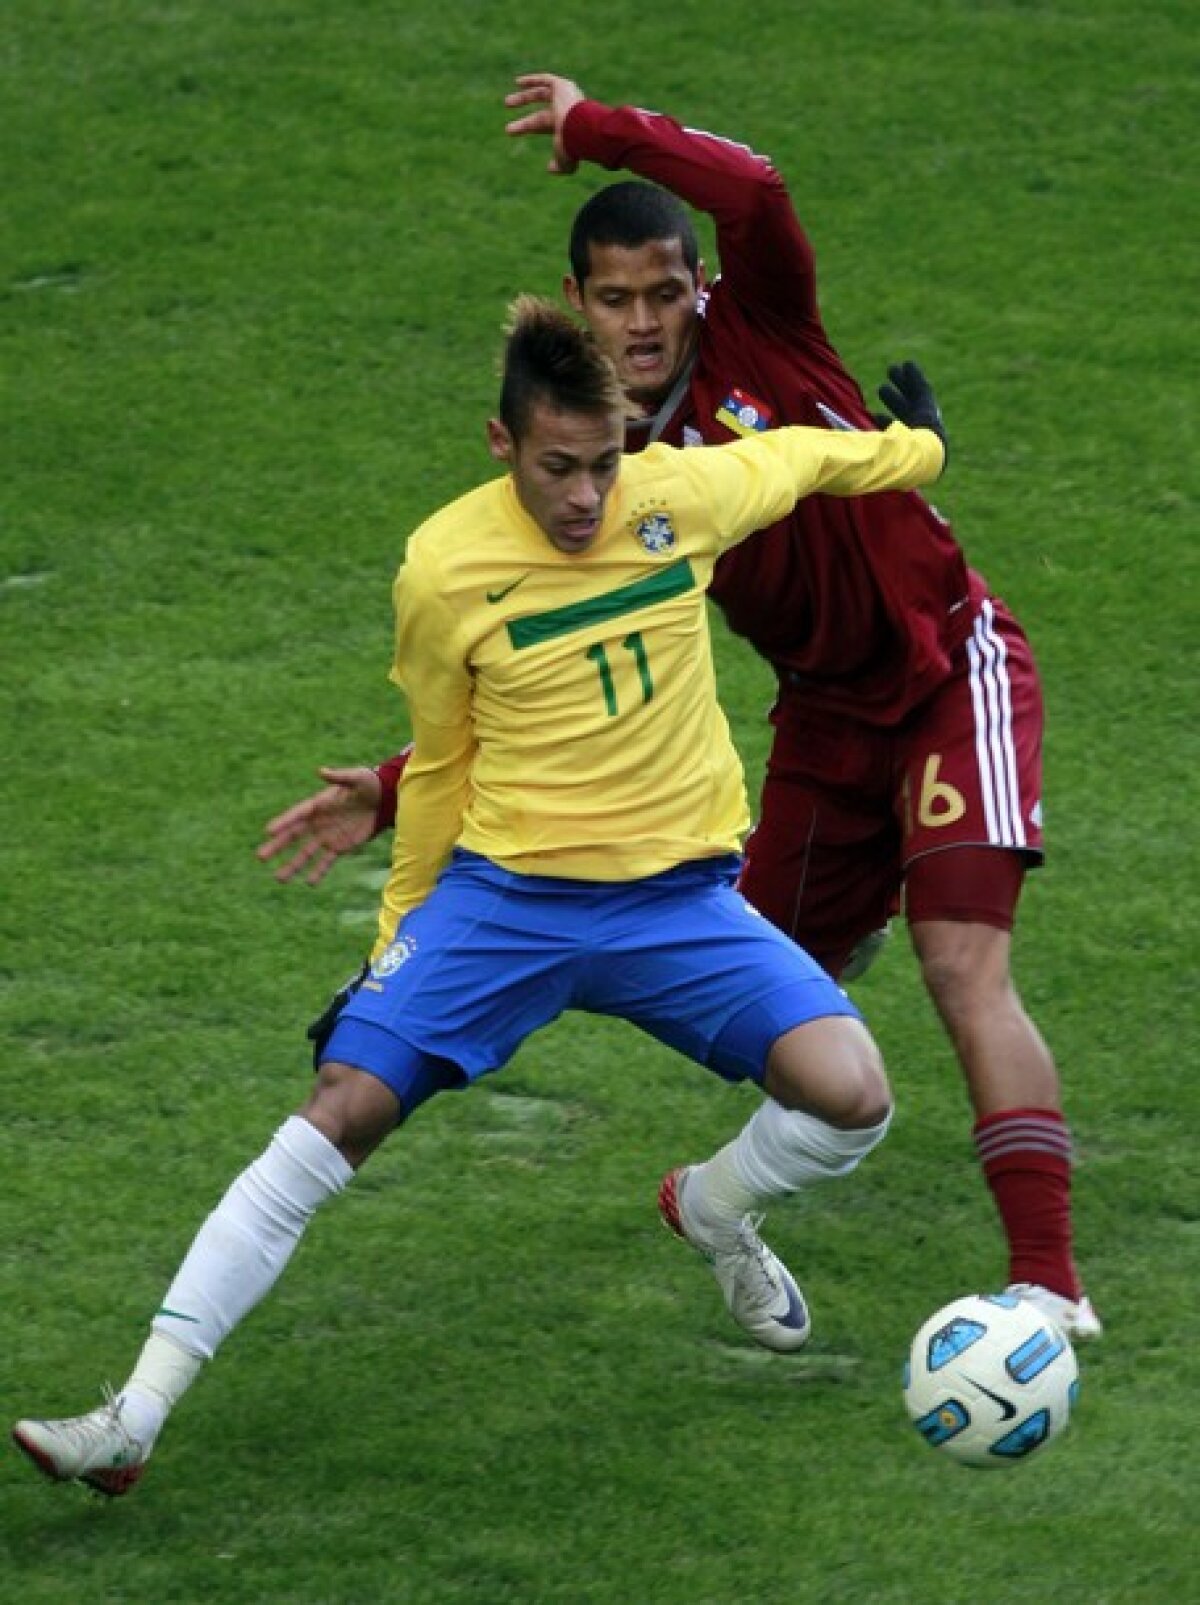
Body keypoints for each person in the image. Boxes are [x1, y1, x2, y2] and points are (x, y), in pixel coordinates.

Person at [12, 297, 947, 1497]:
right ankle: (132, 1417)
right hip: (510, 903)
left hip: (676, 904)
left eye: (605, 463)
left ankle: (714, 1210)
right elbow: (444, 764)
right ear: (503, 443)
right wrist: (394, 943)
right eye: (559, 468)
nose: (587, 496)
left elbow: (813, 459)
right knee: (342, 1107)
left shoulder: (682, 495)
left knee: (854, 1098)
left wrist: (922, 447)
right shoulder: (444, 568)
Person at [259, 73, 1100, 1342]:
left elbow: (754, 189)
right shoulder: (603, 473)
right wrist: (393, 786)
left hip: (947, 667)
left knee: (961, 961)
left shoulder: (767, 326)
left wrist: (596, 129)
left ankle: (1047, 1285)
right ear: (579, 305)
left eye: (665, 292)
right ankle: (714, 1206)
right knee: (775, 1015)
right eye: (616, 299)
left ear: (701, 288)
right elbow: (550, 667)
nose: (645, 321)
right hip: (820, 724)